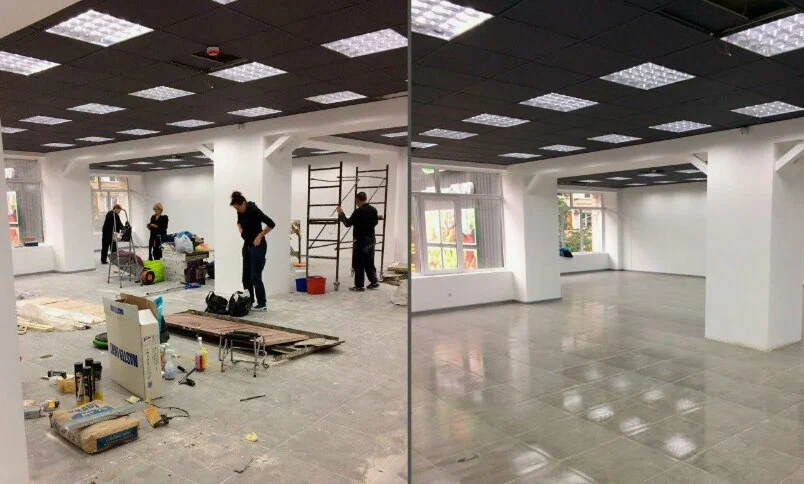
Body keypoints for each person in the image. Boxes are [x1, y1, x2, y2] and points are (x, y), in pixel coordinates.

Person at [231, 191, 275, 311]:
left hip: (258, 246)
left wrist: (259, 236)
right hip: (247, 245)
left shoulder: (254, 210)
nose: (237, 210)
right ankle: (249, 301)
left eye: (238, 208)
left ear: (243, 203)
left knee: (255, 276)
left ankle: (262, 303)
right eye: (235, 208)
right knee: (245, 277)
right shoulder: (239, 211)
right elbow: (239, 222)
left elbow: (271, 224)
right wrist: (240, 229)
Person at [337, 191, 379, 292]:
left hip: (361, 240)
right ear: (365, 198)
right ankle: (374, 281)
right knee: (369, 262)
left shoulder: (358, 211)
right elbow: (376, 222)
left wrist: (341, 213)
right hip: (371, 239)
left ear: (357, 200)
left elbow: (347, 223)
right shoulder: (373, 210)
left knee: (359, 263)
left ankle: (359, 286)